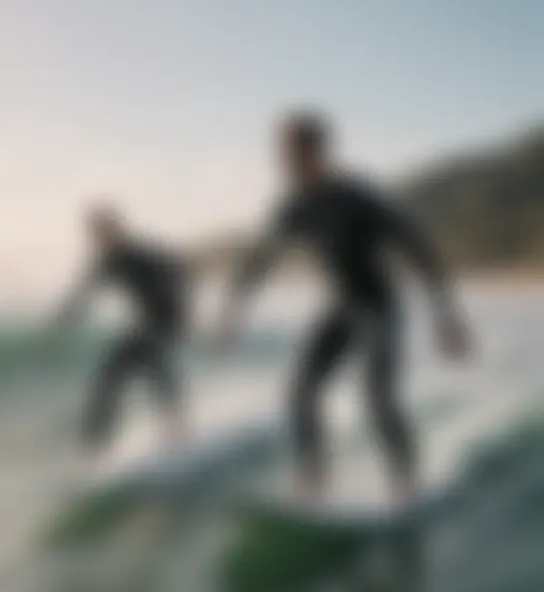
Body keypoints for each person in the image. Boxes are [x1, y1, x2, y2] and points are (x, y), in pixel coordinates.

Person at [216, 112, 471, 504]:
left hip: (378, 308)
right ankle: (314, 477)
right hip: (339, 308)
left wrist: (446, 315)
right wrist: (234, 309)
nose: (285, 167)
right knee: (301, 392)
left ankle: (406, 480)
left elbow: (417, 247)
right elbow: (261, 257)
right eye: (282, 158)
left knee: (376, 397)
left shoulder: (358, 198)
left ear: (318, 154)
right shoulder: (294, 206)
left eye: (292, 158)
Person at [45, 204, 190, 453]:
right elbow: (81, 296)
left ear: (117, 229)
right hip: (143, 323)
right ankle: (96, 442)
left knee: (151, 360)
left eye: (104, 231)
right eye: (95, 234)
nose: (99, 239)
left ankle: (176, 427)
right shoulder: (105, 263)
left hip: (168, 318)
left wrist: (181, 313)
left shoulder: (143, 254)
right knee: (111, 374)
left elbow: (180, 276)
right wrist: (59, 326)